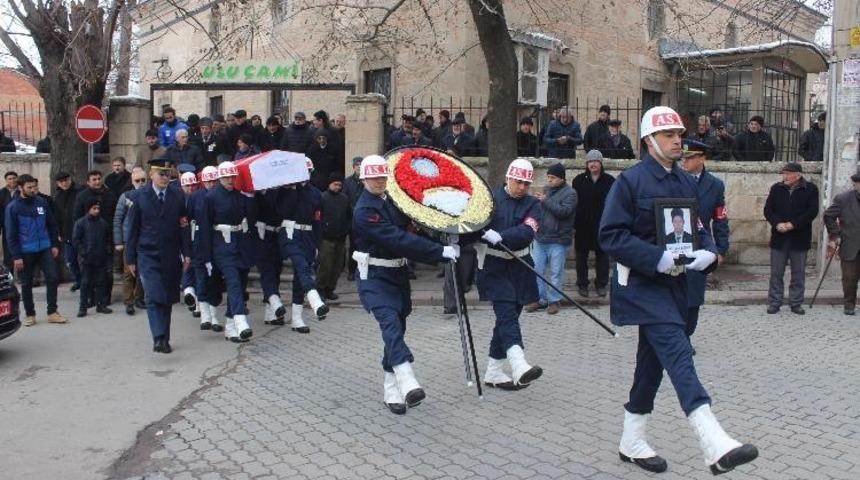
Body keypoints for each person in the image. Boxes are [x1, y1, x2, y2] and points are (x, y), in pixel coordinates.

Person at [599, 106, 757, 475]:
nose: (677, 140)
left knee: (650, 367)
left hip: (677, 286)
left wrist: (706, 253)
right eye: (668, 135)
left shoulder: (685, 181)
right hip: (642, 285)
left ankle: (631, 440)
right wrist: (657, 258)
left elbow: (698, 224)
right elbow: (610, 236)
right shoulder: (630, 182)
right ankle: (713, 441)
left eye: (679, 134)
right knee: (678, 352)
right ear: (649, 141)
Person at [352, 154, 459, 414]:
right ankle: (406, 377)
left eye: (382, 177)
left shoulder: (393, 201)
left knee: (397, 327)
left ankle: (390, 387)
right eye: (373, 177)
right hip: (374, 277)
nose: (379, 182)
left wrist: (441, 241)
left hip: (397, 275)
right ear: (363, 178)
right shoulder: (365, 210)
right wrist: (438, 253)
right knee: (389, 321)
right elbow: (397, 239)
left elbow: (412, 229)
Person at [475, 158, 544, 390]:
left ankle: (494, 371)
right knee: (506, 313)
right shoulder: (489, 200)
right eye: (518, 182)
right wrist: (483, 232)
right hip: (494, 267)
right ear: (508, 178)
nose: (522, 187)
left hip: (520, 265)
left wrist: (503, 237)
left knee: (508, 317)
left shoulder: (534, 204)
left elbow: (528, 231)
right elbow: (474, 225)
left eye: (526, 183)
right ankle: (519, 364)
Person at [125, 157, 191, 354]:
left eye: (168, 174)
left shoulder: (178, 196)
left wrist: (187, 253)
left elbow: (183, 227)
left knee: (168, 297)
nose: (164, 177)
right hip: (147, 253)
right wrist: (130, 259)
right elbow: (132, 230)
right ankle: (158, 336)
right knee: (155, 295)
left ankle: (165, 338)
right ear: (151, 174)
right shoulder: (139, 197)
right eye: (161, 174)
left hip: (170, 253)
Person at [198, 161, 256, 343]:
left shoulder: (240, 196)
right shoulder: (211, 198)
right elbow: (205, 229)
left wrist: (250, 196)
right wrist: (206, 257)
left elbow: (251, 219)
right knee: (233, 282)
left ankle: (231, 328)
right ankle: (240, 320)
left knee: (239, 282)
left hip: (240, 245)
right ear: (220, 178)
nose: (230, 180)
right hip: (221, 245)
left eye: (232, 176)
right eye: (226, 177)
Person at [680, 139, 729, 350]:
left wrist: (721, 248)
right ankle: (675, 338)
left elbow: (720, 218)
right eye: (684, 158)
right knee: (674, 292)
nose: (685, 162)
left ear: (702, 159)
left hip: (701, 245)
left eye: (690, 158)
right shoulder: (675, 179)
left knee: (694, 296)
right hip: (676, 243)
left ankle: (687, 335)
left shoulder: (715, 185)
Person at [5, 174, 64, 326]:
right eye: (29, 187)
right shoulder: (13, 207)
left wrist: (54, 245)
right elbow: (10, 234)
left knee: (52, 278)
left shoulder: (41, 202)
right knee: (26, 283)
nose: (33, 190)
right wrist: (16, 256)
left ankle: (52, 312)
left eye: (35, 187)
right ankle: (30, 314)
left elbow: (52, 224)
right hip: (25, 252)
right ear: (20, 188)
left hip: (45, 248)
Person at [763, 162, 820, 315]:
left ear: (798, 175)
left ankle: (796, 302)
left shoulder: (811, 189)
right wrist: (777, 223)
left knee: (798, 273)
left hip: (799, 237)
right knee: (776, 272)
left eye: (788, 173)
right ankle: (775, 301)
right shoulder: (776, 188)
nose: (785, 176)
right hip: (779, 237)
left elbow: (812, 211)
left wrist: (793, 224)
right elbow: (768, 210)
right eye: (784, 173)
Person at [526, 162, 576, 315]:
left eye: (552, 177)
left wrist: (545, 201)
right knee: (538, 270)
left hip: (558, 239)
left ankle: (554, 301)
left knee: (556, 272)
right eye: (548, 177)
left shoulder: (571, 193)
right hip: (541, 237)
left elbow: (564, 212)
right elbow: (542, 210)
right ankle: (540, 299)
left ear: (561, 178)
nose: (549, 180)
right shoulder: (547, 190)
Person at [571, 150, 615, 297]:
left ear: (601, 163)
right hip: (582, 225)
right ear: (586, 164)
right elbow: (574, 204)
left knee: (602, 256)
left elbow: (613, 203)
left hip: (602, 224)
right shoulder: (578, 180)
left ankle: (601, 284)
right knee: (581, 257)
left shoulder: (610, 181)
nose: (593, 164)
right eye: (590, 161)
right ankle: (582, 284)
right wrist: (573, 226)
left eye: (596, 161)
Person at [74, 170, 117, 308]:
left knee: (107, 273)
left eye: (99, 178)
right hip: (89, 241)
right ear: (88, 182)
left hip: (106, 237)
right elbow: (77, 217)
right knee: (88, 276)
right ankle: (90, 299)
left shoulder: (109, 194)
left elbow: (115, 215)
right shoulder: (82, 196)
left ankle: (104, 299)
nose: (97, 181)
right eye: (94, 179)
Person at [190, 166, 225, 332]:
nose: (211, 183)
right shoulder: (195, 197)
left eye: (213, 180)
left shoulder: (220, 196)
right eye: (208, 180)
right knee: (201, 278)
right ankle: (205, 314)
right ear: (203, 181)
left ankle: (213, 315)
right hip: (199, 244)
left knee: (215, 281)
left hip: (216, 242)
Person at [824, 170, 860, 315]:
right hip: (850, 243)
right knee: (850, 278)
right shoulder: (843, 199)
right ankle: (849, 305)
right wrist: (835, 234)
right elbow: (828, 216)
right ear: (856, 184)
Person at [113, 167, 147, 315]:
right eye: (137, 180)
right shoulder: (126, 197)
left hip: (145, 240)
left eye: (143, 180)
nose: (140, 183)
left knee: (142, 271)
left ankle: (139, 298)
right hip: (129, 240)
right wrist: (118, 241)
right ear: (132, 182)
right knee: (129, 272)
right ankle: (129, 301)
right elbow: (118, 219)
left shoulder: (149, 195)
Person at [73, 199, 112, 317]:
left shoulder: (103, 223)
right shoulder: (81, 223)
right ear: (88, 209)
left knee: (101, 282)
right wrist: (83, 252)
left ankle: (101, 305)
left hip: (100, 257)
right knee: (85, 283)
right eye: (94, 208)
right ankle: (83, 307)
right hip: (87, 259)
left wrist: (106, 251)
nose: (96, 211)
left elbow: (107, 239)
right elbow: (76, 240)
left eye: (98, 209)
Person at [318, 173, 351, 300]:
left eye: (339, 185)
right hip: (326, 238)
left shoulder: (344, 199)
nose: (337, 187)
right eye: (335, 184)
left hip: (341, 238)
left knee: (337, 266)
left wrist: (346, 229)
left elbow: (349, 216)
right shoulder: (322, 197)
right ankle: (320, 289)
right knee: (325, 266)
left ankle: (330, 289)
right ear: (329, 184)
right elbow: (318, 217)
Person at [54, 171, 82, 290]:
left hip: (80, 232)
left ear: (70, 179)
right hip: (66, 233)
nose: (64, 183)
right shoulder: (58, 196)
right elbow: (57, 216)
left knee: (84, 260)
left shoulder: (79, 192)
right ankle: (78, 280)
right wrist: (59, 233)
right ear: (58, 183)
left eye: (66, 180)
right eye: (61, 182)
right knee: (70, 260)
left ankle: (87, 282)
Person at [343, 156, 364, 282]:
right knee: (353, 246)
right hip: (352, 219)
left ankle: (362, 271)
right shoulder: (348, 181)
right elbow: (345, 199)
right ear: (353, 167)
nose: (359, 167)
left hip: (364, 219)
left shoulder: (366, 181)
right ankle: (351, 271)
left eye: (361, 165)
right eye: (357, 165)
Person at [0, 170, 19, 270]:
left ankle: (24, 277)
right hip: (7, 227)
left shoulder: (21, 191)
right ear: (6, 181)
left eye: (14, 178)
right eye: (10, 179)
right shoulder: (1, 193)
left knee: (22, 252)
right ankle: (9, 278)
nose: (12, 180)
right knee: (8, 252)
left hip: (21, 226)